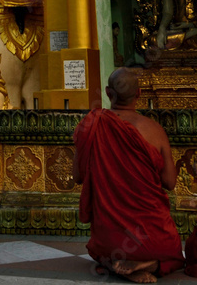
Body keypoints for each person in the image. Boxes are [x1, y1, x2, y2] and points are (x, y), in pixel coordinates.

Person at [73, 68, 183, 282]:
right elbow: (170, 182)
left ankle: (115, 264)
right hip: (152, 237)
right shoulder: (155, 130)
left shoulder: (92, 125)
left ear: (108, 92)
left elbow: (77, 177)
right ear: (139, 94)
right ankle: (147, 264)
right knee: (175, 258)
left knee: (99, 254)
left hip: (109, 241)